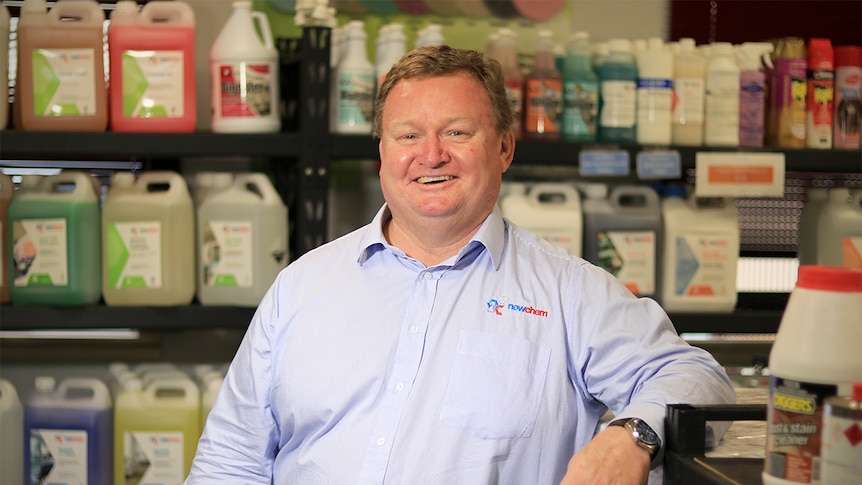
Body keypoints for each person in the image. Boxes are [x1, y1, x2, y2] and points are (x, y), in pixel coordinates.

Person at [185, 44, 736, 484]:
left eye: (457, 132)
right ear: (382, 152)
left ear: (503, 148)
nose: (431, 155)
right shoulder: (302, 286)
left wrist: (632, 436)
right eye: (407, 135)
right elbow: (231, 458)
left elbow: (696, 377)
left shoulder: (570, 292)